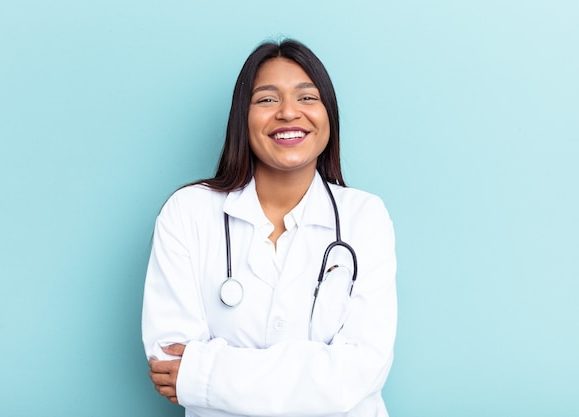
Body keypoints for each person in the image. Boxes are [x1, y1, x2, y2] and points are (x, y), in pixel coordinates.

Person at [142, 38, 397, 417]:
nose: (289, 113)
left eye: (307, 98)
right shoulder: (187, 212)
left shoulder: (365, 216)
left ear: (329, 115)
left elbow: (360, 373)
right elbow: (169, 363)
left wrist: (206, 376)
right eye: (266, 99)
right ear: (241, 118)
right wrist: (317, 373)